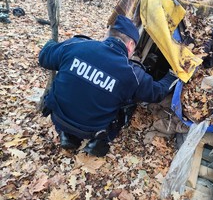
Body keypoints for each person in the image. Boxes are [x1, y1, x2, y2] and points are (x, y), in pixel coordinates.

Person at [39, 15, 177, 157]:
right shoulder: (132, 74)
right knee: (130, 104)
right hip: (93, 129)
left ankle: (67, 135)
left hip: (58, 117)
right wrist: (173, 74)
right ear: (130, 45)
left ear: (107, 35)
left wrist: (52, 45)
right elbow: (157, 93)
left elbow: (44, 57)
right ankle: (98, 142)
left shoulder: (76, 45)